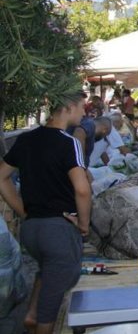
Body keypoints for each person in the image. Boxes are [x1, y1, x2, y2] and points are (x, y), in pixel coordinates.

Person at [0, 91, 91, 334]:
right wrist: (84, 224)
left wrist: (23, 212)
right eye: (82, 106)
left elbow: (2, 178)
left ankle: (30, 314)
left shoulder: (26, 140)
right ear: (69, 107)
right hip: (58, 230)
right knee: (50, 309)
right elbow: (82, 190)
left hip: (31, 231)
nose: (84, 112)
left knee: (47, 271)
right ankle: (38, 322)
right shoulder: (68, 142)